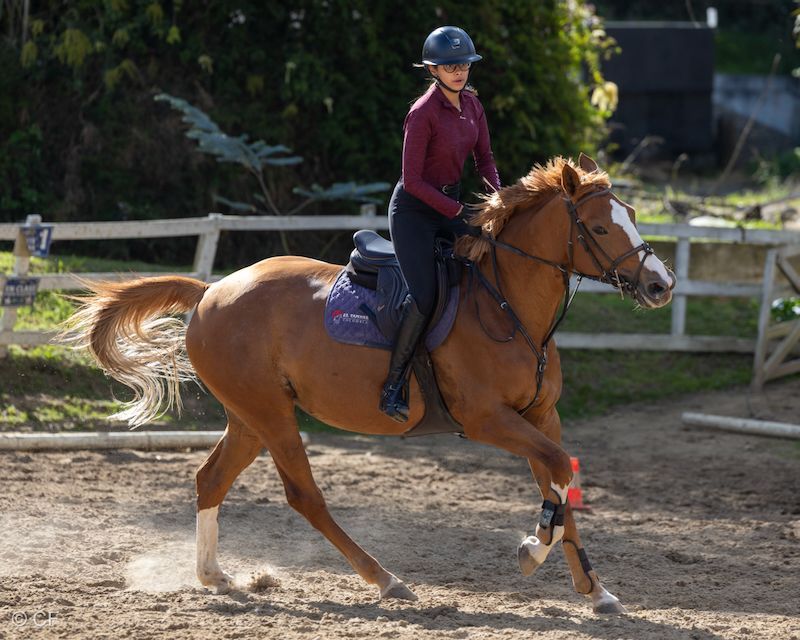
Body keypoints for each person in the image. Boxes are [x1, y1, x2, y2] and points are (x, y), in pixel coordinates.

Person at [380, 25, 501, 422]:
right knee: (426, 296)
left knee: (481, 268)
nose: (458, 71)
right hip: (414, 213)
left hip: (450, 204)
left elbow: (485, 160)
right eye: (449, 66)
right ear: (433, 69)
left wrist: (496, 199)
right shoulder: (422, 113)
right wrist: (453, 212)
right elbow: (412, 181)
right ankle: (393, 385)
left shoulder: (474, 107)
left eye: (463, 63)